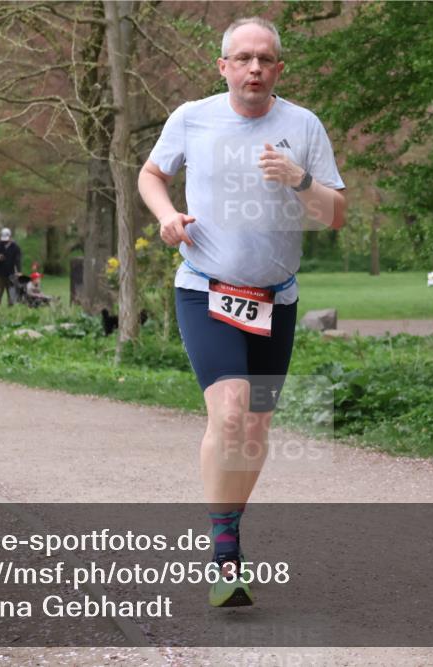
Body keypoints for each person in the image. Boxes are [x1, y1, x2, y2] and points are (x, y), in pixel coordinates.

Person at [138, 17, 346, 607]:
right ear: (223, 67)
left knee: (255, 429)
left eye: (266, 59)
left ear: (279, 69)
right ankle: (224, 549)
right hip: (206, 288)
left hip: (276, 297)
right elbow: (151, 174)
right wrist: (166, 216)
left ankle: (228, 527)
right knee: (229, 413)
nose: (254, 68)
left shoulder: (303, 125)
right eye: (243, 58)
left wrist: (299, 178)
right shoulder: (192, 117)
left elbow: (335, 215)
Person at [0, 227, 21, 305]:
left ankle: (10, 307)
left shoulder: (15, 247)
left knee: (11, 294)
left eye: (6, 239)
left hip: (11, 274)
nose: (5, 241)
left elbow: (17, 260)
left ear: (10, 237)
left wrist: (19, 271)